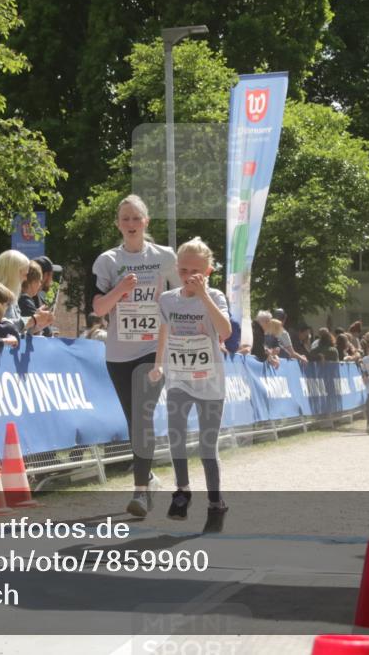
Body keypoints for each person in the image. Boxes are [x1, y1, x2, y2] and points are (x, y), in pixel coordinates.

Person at [91, 194, 177, 517]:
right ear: (118, 224)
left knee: (141, 417)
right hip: (118, 354)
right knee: (134, 421)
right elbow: (99, 308)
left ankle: (140, 493)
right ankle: (149, 478)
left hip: (153, 351)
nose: (130, 224)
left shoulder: (165, 258)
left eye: (135, 218)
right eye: (124, 219)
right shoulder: (107, 262)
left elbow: (182, 297)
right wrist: (120, 290)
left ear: (146, 222)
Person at [150, 237, 231, 532]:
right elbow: (164, 331)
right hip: (179, 379)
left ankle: (216, 503)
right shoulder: (168, 299)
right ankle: (182, 492)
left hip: (209, 381)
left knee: (207, 447)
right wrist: (159, 364)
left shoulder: (217, 297)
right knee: (176, 435)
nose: (188, 277)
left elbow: (225, 332)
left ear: (208, 271)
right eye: (183, 271)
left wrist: (204, 296)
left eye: (195, 272)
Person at [0, 249, 53, 336]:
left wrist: (37, 325)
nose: (26, 279)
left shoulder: (11, 295)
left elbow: (15, 331)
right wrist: (32, 320)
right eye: (24, 274)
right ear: (13, 273)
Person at [32, 255, 60, 337]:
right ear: (44, 275)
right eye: (51, 275)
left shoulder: (40, 297)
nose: (52, 280)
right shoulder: (29, 297)